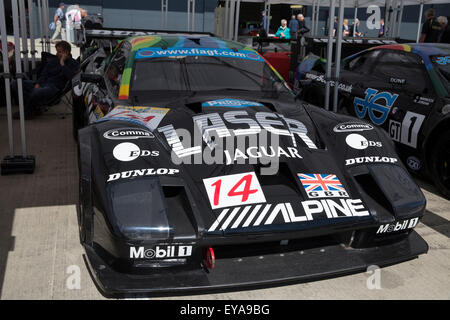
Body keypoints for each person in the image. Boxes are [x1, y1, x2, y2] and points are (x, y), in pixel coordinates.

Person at [12, 41, 79, 119]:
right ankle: (35, 108)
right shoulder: (53, 61)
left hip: (54, 87)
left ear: (67, 52)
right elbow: (44, 74)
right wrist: (38, 83)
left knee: (36, 92)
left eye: (60, 52)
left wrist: (62, 64)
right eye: (57, 51)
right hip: (43, 83)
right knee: (16, 83)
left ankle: (27, 112)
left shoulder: (74, 64)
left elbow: (71, 77)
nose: (57, 54)